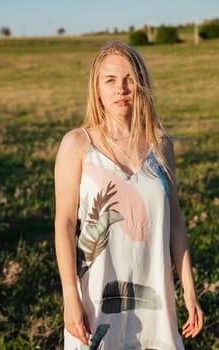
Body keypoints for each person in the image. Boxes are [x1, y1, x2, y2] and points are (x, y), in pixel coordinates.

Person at [54, 41, 203, 350]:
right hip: (95, 299)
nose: (121, 89)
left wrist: (189, 290)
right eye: (110, 80)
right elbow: (65, 224)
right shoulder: (77, 144)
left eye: (129, 79)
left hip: (155, 301)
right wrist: (70, 296)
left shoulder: (160, 143)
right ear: (96, 89)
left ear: (142, 84)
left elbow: (175, 221)